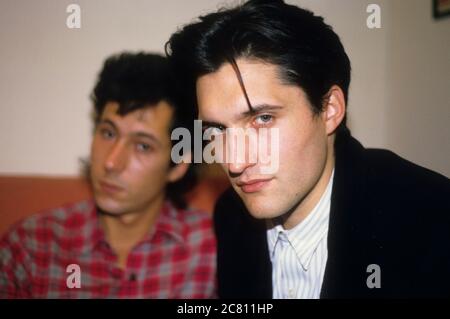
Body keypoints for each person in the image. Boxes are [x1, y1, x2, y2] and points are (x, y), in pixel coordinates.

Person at [166, 0, 450, 298]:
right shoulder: (231, 216)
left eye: (263, 119)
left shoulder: (430, 221)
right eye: (217, 130)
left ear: (330, 110)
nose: (235, 163)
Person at [0, 52, 216, 298]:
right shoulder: (30, 246)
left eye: (143, 145)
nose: (112, 162)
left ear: (178, 165)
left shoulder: (212, 251)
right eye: (108, 133)